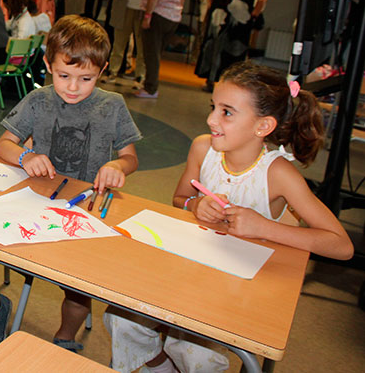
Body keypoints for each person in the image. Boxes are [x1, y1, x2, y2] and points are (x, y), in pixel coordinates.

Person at [104, 60, 353, 373]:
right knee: (119, 319)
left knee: (194, 353)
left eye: (226, 112)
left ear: (263, 126)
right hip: (189, 267)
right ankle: (159, 365)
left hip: (237, 288)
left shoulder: (278, 173)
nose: (210, 119)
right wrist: (194, 205)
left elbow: (341, 245)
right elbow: (180, 198)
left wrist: (263, 227)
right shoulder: (202, 149)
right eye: (213, 107)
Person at [0, 16, 141, 356]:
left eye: (86, 78)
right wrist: (23, 157)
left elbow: (130, 157)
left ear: (103, 70)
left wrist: (117, 165)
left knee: (80, 286)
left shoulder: (113, 106)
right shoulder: (38, 101)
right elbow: (4, 144)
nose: (73, 87)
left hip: (84, 208)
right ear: (48, 64)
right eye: (63, 75)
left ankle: (64, 337)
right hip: (36, 201)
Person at [196, 0, 268, 92]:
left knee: (233, 50)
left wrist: (254, 14)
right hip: (219, 18)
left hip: (239, 21)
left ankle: (230, 83)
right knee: (214, 47)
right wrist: (212, 8)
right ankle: (210, 80)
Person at [136, 0, 188, 99]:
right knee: (157, 53)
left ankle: (151, 87)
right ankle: (150, 83)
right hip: (173, 17)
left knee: (151, 53)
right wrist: (178, 13)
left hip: (158, 15)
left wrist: (147, 16)